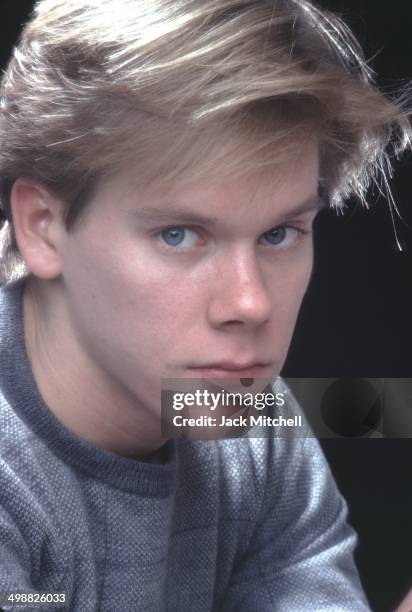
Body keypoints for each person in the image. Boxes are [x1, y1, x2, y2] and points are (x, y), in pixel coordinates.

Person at [0, 0, 409, 609]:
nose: (250, 303)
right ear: (42, 225)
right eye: (179, 235)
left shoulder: (256, 430)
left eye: (279, 234)